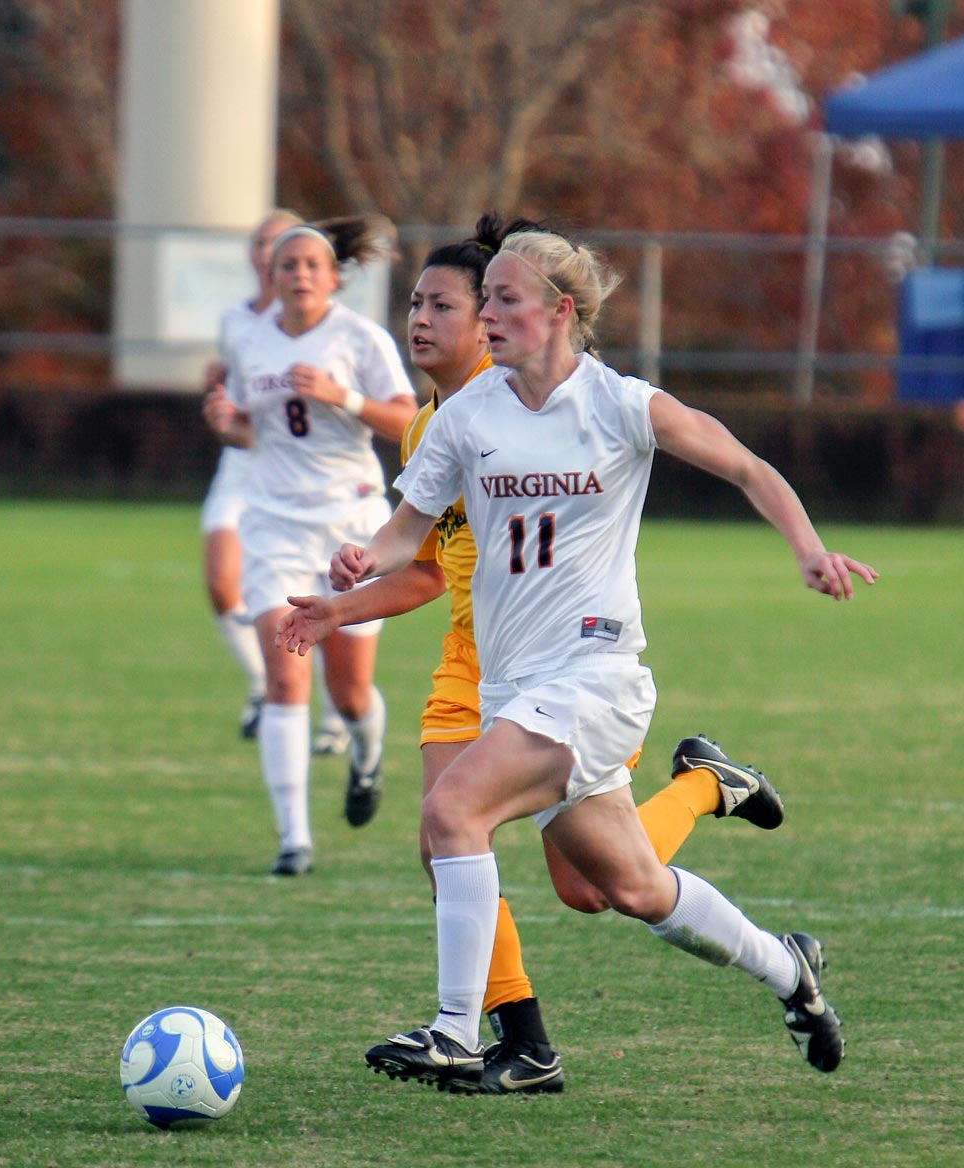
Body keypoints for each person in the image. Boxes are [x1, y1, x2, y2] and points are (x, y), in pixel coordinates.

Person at [325, 218, 877, 1085]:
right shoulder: (465, 417)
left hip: (595, 676)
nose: (489, 316)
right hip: (517, 689)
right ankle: (789, 971)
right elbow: (404, 537)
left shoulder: (621, 403)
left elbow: (746, 467)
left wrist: (809, 548)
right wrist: (353, 574)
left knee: (451, 813)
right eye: (488, 301)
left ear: (558, 310)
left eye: (503, 300)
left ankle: (455, 1030)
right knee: (632, 890)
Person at [204, 216, 417, 875]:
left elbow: (408, 420)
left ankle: (365, 753)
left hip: (350, 526)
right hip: (274, 526)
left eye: (309, 265)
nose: (297, 274)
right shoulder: (250, 340)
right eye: (286, 264)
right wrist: (228, 425)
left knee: (349, 693)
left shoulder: (360, 338)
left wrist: (342, 395)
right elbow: (257, 433)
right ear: (270, 277)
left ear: (333, 278)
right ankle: (293, 838)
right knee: (283, 674)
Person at [200, 208, 349, 754]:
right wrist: (221, 404)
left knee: (320, 599)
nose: (269, 255)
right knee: (222, 583)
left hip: (314, 482)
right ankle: (265, 683)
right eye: (262, 244)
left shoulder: (334, 328)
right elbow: (238, 398)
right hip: (247, 466)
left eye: (280, 246)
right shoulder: (238, 322)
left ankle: (337, 716)